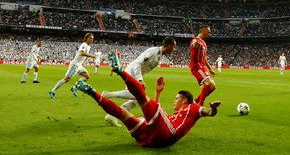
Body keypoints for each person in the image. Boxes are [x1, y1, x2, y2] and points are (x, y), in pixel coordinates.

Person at [73, 57, 220, 148]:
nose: (174, 100)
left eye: (176, 98)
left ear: (184, 100)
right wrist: (158, 93)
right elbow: (157, 117)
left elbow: (208, 112)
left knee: (142, 97)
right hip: (152, 141)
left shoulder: (193, 108)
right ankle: (91, 92)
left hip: (167, 133)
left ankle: (119, 70)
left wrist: (212, 109)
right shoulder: (176, 117)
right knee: (123, 114)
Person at [102, 37, 177, 125]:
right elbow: (138, 63)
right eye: (174, 47)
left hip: (136, 73)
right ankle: (108, 94)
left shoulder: (160, 55)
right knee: (137, 95)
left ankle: (113, 116)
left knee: (138, 99)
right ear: (168, 45)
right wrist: (140, 80)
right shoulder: (154, 52)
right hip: (132, 71)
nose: (174, 49)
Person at [49, 33, 97, 98]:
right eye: (90, 38)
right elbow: (81, 53)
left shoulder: (89, 46)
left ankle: (74, 87)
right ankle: (52, 91)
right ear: (86, 38)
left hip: (79, 65)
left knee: (87, 76)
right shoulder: (84, 44)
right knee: (67, 79)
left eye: (92, 38)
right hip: (75, 64)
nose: (92, 40)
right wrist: (92, 56)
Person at [190, 25, 216, 105]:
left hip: (202, 68)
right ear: (203, 31)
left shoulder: (204, 43)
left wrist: (210, 68)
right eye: (208, 32)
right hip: (196, 67)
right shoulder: (195, 40)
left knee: (213, 87)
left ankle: (195, 102)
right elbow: (193, 45)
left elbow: (204, 58)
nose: (210, 34)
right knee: (209, 83)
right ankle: (200, 105)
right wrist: (195, 45)